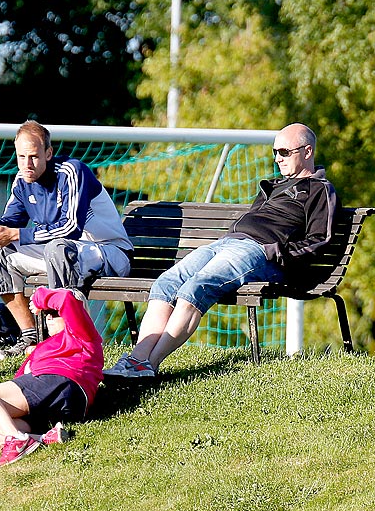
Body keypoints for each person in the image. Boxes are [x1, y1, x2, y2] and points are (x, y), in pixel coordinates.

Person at [104, 123, 339, 379]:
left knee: (196, 288)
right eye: (275, 152)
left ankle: (150, 365)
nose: (277, 158)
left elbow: (319, 240)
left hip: (258, 251)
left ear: (306, 152)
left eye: (284, 152)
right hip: (226, 244)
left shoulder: (319, 189)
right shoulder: (274, 186)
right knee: (166, 283)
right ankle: (136, 360)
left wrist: (275, 252)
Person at [0, 120, 132, 358]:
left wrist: (16, 234)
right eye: (21, 156)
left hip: (110, 253)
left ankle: (72, 340)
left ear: (48, 153)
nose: (27, 164)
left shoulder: (72, 170)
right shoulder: (22, 180)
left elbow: (71, 229)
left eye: (34, 156)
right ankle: (31, 337)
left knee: (59, 248)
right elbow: (11, 223)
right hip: (62, 253)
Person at [0, 286, 103, 468]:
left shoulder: (81, 333)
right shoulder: (44, 347)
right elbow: (21, 381)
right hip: (50, 405)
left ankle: (17, 440)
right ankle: (43, 438)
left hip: (61, 382)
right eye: (47, 313)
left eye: (54, 312)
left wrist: (39, 299)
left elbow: (66, 298)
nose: (49, 317)